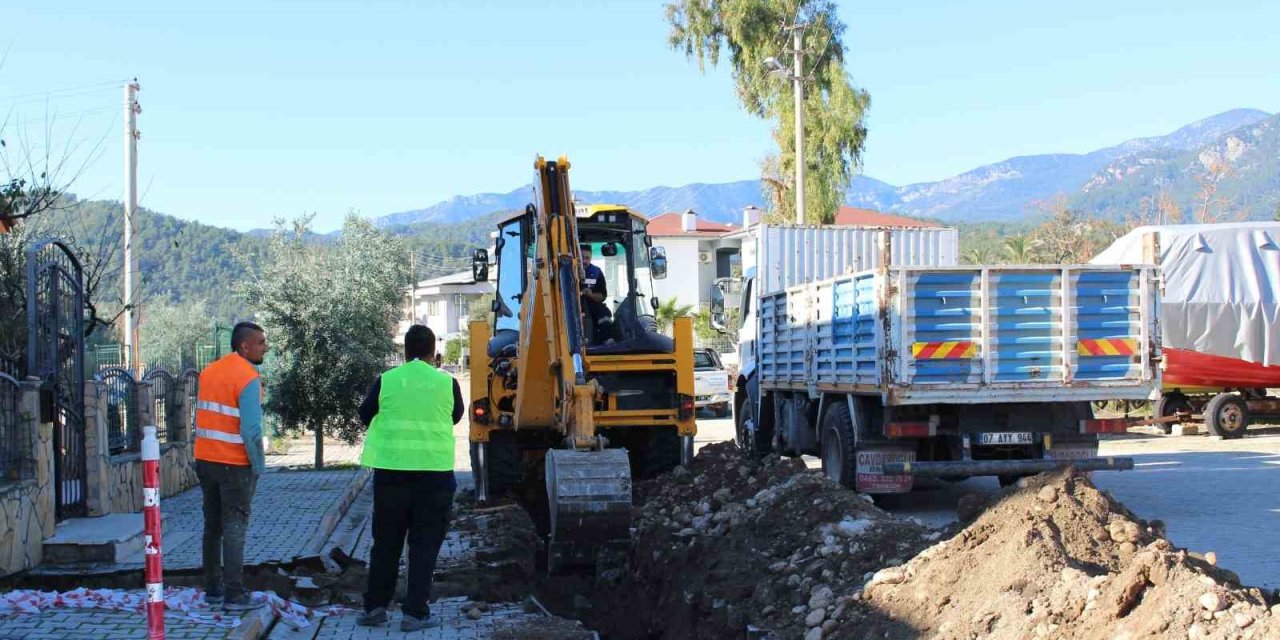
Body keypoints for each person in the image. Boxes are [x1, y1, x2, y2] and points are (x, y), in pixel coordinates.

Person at [356, 324, 464, 631]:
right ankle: (415, 614)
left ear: (405, 351)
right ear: (433, 352)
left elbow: (364, 415)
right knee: (424, 546)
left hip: (391, 477)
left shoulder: (387, 380)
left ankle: (376, 607)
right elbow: (455, 416)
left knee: (386, 544)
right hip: (435, 478)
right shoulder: (447, 383)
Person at [195, 321, 269, 611]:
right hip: (234, 464)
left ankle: (212, 589)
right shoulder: (248, 377)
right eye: (261, 342)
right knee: (235, 527)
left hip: (205, 459)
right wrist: (259, 465)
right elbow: (251, 429)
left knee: (212, 527)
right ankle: (235, 594)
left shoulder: (209, 372)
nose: (265, 347)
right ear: (245, 346)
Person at [580, 244, 612, 344]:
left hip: (593, 306)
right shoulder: (567, 270)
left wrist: (591, 295)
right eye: (582, 258)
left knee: (604, 314)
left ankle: (607, 340)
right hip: (573, 308)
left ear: (591, 258)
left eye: (587, 258)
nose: (584, 261)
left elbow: (602, 296)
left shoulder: (597, 272)